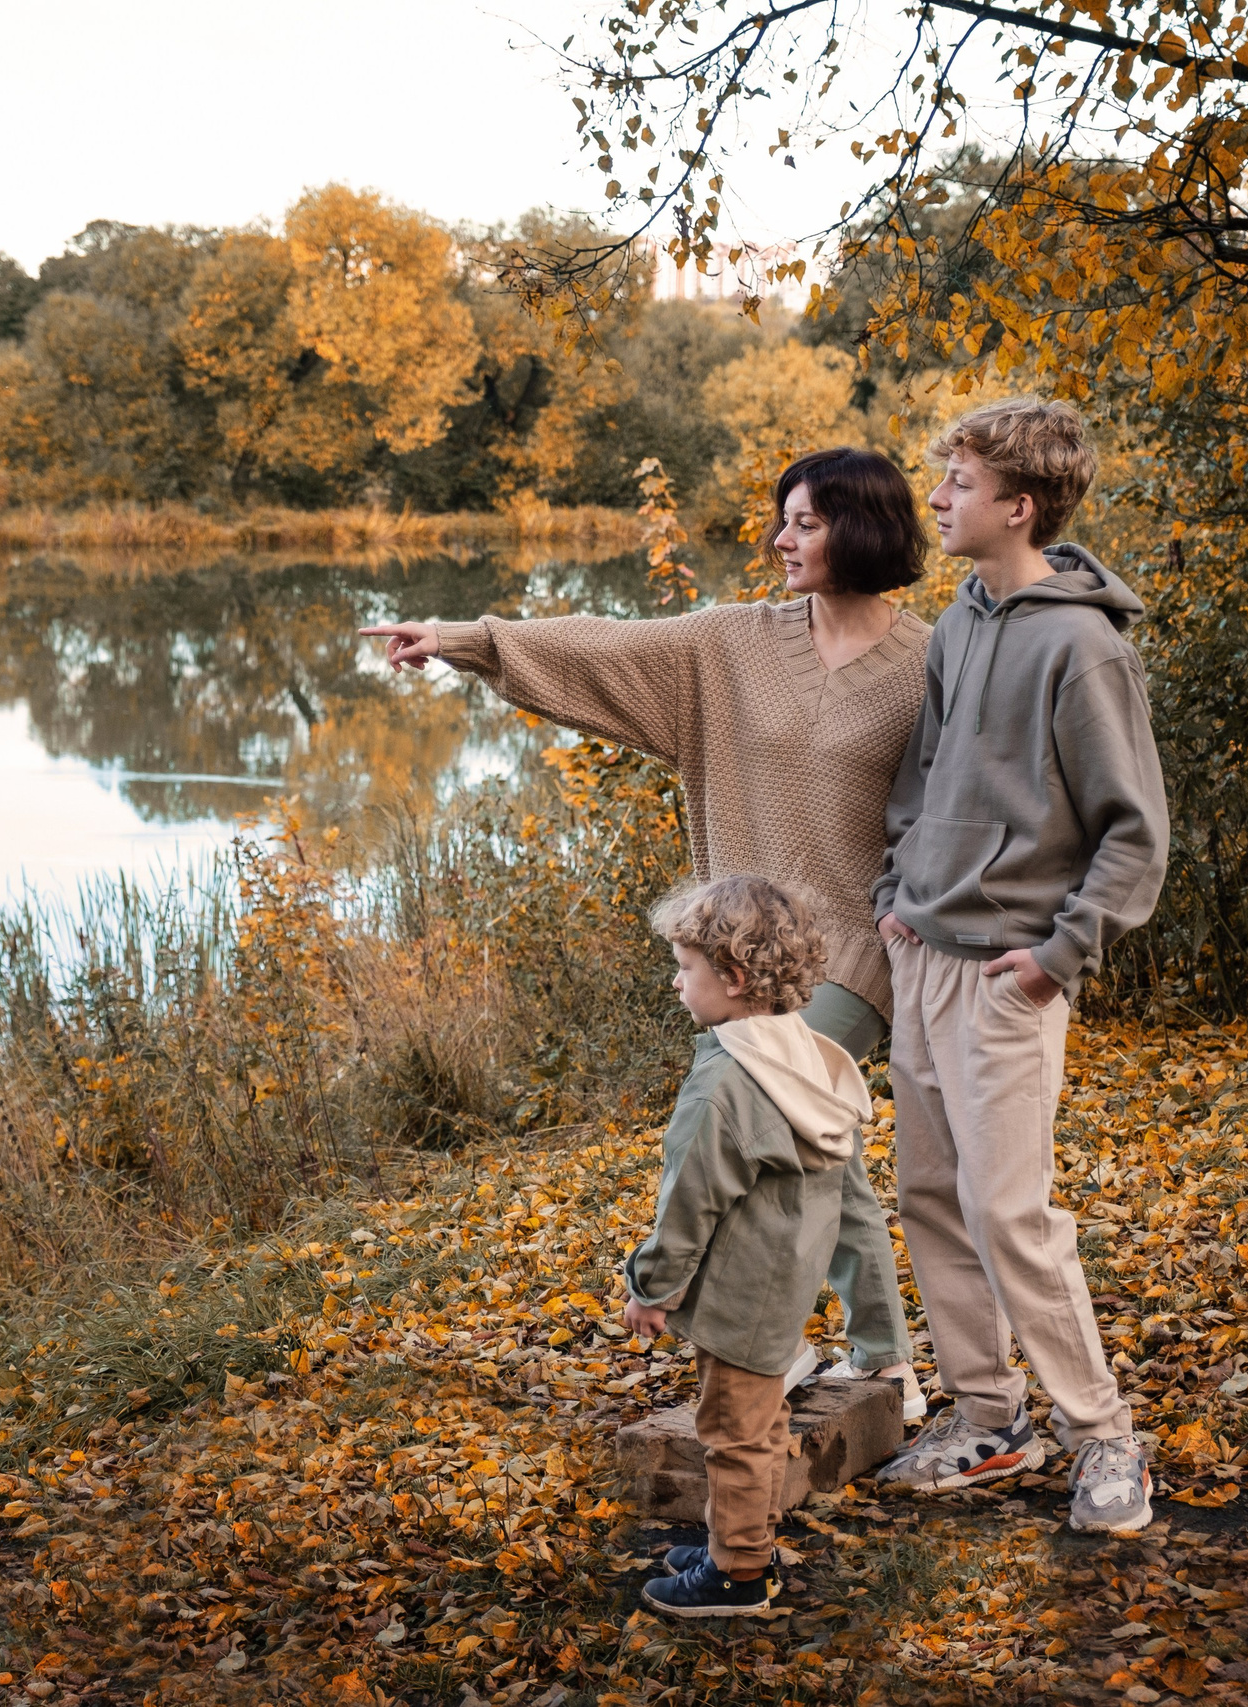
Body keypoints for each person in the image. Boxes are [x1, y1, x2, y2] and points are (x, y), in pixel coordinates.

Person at [361, 447, 931, 1417]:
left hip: (855, 951)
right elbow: (602, 645)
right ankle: (872, 1358)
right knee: (816, 1146)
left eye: (805, 522)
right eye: (780, 518)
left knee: (760, 1116)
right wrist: (463, 639)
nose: (780, 539)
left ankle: (811, 1348)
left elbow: (971, 799)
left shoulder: (929, 660)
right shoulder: (728, 645)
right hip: (746, 949)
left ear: (862, 529)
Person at [871, 398, 1170, 1534]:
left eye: (956, 482)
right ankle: (988, 1420)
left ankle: (1103, 1441)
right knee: (933, 1198)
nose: (938, 499)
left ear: (1017, 506)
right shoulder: (958, 623)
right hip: (925, 955)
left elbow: (1133, 830)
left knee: (1009, 1214)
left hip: (1009, 971)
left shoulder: (1083, 646)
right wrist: (896, 895)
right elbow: (928, 773)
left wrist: (1058, 957)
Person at [621, 876, 869, 1617]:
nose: (676, 979)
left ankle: (739, 1572)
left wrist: (653, 1285)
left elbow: (690, 1197)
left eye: (686, 966)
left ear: (731, 978)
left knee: (733, 1430)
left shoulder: (729, 1078)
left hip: (738, 1285)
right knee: (757, 1422)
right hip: (784, 1277)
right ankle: (735, 1535)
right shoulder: (804, 1054)